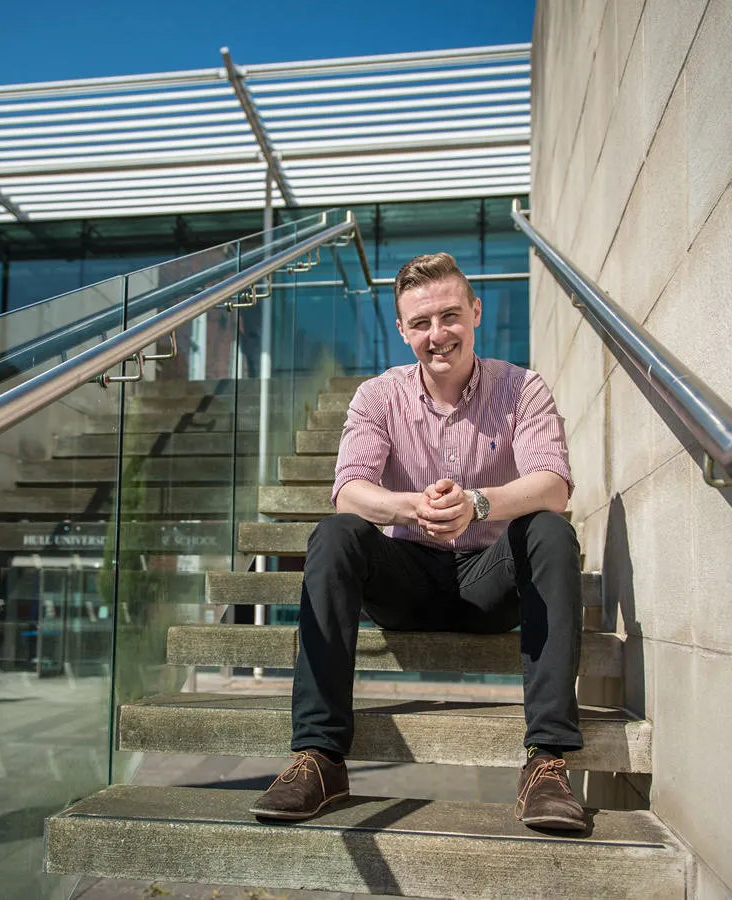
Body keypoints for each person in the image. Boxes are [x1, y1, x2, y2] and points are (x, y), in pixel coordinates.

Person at [249, 252, 587, 831]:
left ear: (475, 313)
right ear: (403, 331)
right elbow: (350, 491)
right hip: (406, 577)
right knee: (335, 535)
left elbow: (553, 485)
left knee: (551, 530)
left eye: (450, 316)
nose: (439, 335)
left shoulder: (523, 388)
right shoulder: (377, 396)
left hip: (490, 580)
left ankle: (547, 764)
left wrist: (477, 503)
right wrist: (414, 507)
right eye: (422, 323)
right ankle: (320, 756)